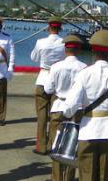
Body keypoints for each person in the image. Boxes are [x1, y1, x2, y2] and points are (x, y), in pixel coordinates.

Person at [63, 30, 108, 181]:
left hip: (87, 129)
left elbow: (71, 104)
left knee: (86, 174)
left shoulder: (84, 74)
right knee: (106, 175)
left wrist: (68, 115)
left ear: (93, 51)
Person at [44, 34, 87, 181]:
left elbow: (48, 89)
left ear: (65, 49)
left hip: (59, 105)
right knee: (71, 145)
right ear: (79, 49)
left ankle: (56, 177)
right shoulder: (84, 68)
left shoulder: (56, 66)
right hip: (76, 108)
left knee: (56, 145)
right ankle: (68, 177)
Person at [30, 16, 65, 155]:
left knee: (42, 115)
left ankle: (41, 146)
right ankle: (53, 144)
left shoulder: (41, 42)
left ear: (48, 27)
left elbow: (34, 58)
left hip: (43, 78)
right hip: (57, 81)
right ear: (60, 28)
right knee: (56, 115)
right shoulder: (64, 42)